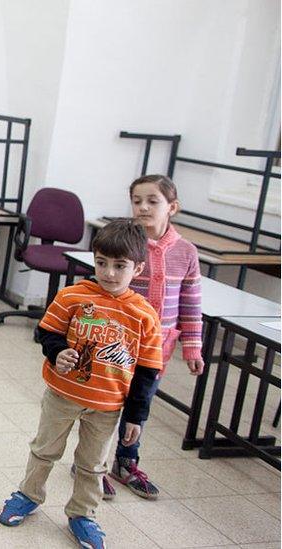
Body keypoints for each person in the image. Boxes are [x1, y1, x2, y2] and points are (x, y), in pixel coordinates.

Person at [0, 219, 163, 549]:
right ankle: (29, 495)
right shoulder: (73, 296)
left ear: (138, 268)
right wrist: (58, 353)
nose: (109, 273)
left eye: (120, 266)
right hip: (62, 394)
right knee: (44, 450)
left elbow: (147, 371)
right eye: (102, 263)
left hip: (107, 407)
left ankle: (83, 514)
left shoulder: (144, 315)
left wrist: (136, 417)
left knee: (92, 464)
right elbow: (47, 332)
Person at [97, 174, 203, 500]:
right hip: (117, 346)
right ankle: (93, 463)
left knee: (139, 406)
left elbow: (191, 302)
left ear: (172, 207)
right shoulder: (125, 246)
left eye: (152, 201)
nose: (143, 207)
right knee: (105, 406)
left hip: (156, 350)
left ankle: (126, 462)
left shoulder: (186, 252)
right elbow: (105, 291)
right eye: (137, 201)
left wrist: (192, 348)